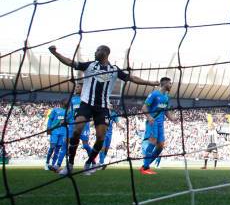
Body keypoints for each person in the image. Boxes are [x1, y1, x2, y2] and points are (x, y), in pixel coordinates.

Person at [49, 44, 158, 176]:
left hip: (103, 107)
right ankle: (70, 164)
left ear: (105, 53)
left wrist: (151, 83)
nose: (95, 52)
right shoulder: (90, 65)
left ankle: (88, 163)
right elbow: (71, 62)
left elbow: (132, 78)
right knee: (77, 130)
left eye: (98, 50)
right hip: (86, 104)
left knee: (101, 137)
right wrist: (55, 53)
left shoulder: (114, 70)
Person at [140, 77, 176, 175]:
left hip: (161, 123)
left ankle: (145, 166)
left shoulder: (166, 97)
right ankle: (145, 167)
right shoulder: (154, 94)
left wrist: (172, 118)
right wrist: (149, 117)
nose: (171, 85)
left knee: (160, 146)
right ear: (164, 84)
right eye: (170, 83)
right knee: (152, 142)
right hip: (153, 122)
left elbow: (166, 111)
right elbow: (144, 107)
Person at [45, 104, 68, 171]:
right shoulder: (55, 110)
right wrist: (48, 128)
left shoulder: (68, 111)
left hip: (63, 131)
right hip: (54, 130)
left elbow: (69, 120)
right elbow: (50, 119)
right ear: (62, 103)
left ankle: (53, 165)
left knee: (58, 149)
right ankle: (47, 163)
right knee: (52, 147)